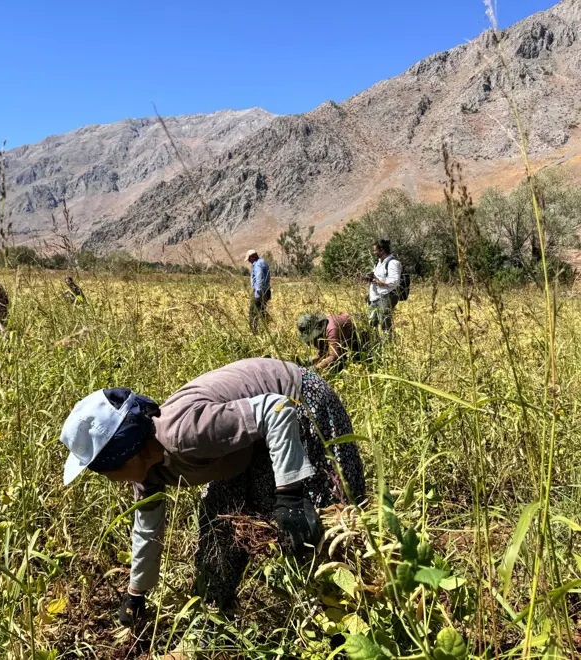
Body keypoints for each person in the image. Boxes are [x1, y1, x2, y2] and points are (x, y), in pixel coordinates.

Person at [59, 358, 365, 627]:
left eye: (105, 470)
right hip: (250, 435)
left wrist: (290, 494)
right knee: (220, 520)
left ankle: (346, 610)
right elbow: (147, 529)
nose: (111, 480)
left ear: (126, 454)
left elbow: (278, 409)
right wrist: (136, 593)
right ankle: (213, 615)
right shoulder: (148, 471)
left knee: (321, 520)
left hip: (296, 399)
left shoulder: (186, 433)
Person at [297, 312, 370, 372]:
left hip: (363, 338)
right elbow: (324, 353)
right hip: (349, 341)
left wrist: (313, 369)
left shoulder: (332, 328)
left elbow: (334, 356)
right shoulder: (322, 331)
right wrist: (306, 362)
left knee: (362, 363)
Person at [366, 240, 402, 334]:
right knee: (371, 323)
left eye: (375, 250)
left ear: (381, 250)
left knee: (385, 326)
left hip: (386, 297)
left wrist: (379, 282)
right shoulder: (379, 262)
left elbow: (394, 281)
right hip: (375, 298)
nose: (374, 253)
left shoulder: (393, 263)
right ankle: (374, 343)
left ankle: (386, 345)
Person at [246, 249, 271, 334]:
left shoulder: (257, 265)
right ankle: (269, 327)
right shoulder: (263, 262)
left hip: (260, 292)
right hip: (267, 291)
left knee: (253, 312)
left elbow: (259, 280)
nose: (249, 261)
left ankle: (254, 332)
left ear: (252, 257)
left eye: (249, 259)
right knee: (262, 310)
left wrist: (258, 294)